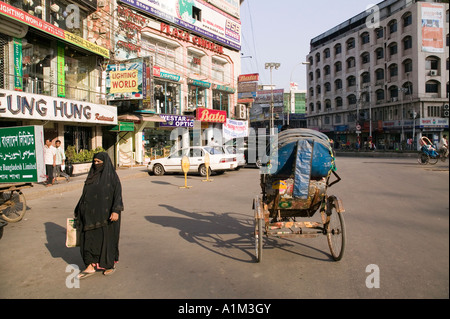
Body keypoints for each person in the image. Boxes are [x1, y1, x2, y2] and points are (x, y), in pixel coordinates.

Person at [74, 152, 124, 279]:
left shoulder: (112, 177)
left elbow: (117, 194)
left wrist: (116, 210)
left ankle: (108, 265)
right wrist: (78, 209)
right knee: (89, 240)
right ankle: (90, 266)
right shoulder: (91, 176)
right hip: (90, 215)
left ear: (105, 163)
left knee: (105, 240)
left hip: (106, 216)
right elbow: (84, 195)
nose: (96, 164)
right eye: (94, 162)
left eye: (99, 162)